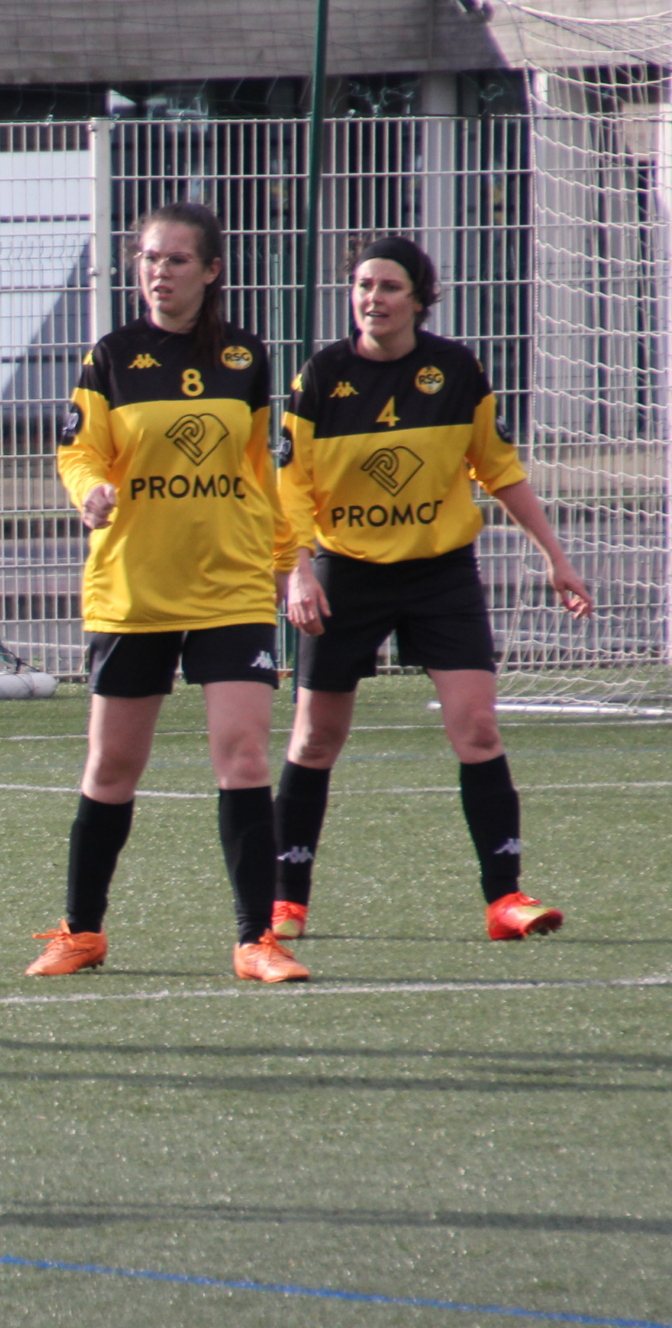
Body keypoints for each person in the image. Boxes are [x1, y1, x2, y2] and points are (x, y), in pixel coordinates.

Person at [274, 235, 593, 942]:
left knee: (477, 727)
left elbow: (497, 467)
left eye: (389, 286)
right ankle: (286, 898)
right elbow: (290, 488)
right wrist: (297, 571)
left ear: (420, 298)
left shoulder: (455, 370)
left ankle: (505, 899)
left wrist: (555, 555)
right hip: (344, 572)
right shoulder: (322, 376)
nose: (372, 298)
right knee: (316, 736)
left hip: (440, 572)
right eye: (362, 285)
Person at [29, 202, 308, 984]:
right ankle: (82, 930)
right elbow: (80, 452)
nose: (159, 271)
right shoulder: (111, 355)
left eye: (178, 259)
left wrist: (293, 567)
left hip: (231, 583)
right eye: (149, 258)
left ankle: (258, 939)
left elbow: (265, 477)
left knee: (245, 753)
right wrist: (88, 493)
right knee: (113, 765)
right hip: (134, 588)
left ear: (211, 271)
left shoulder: (247, 357)